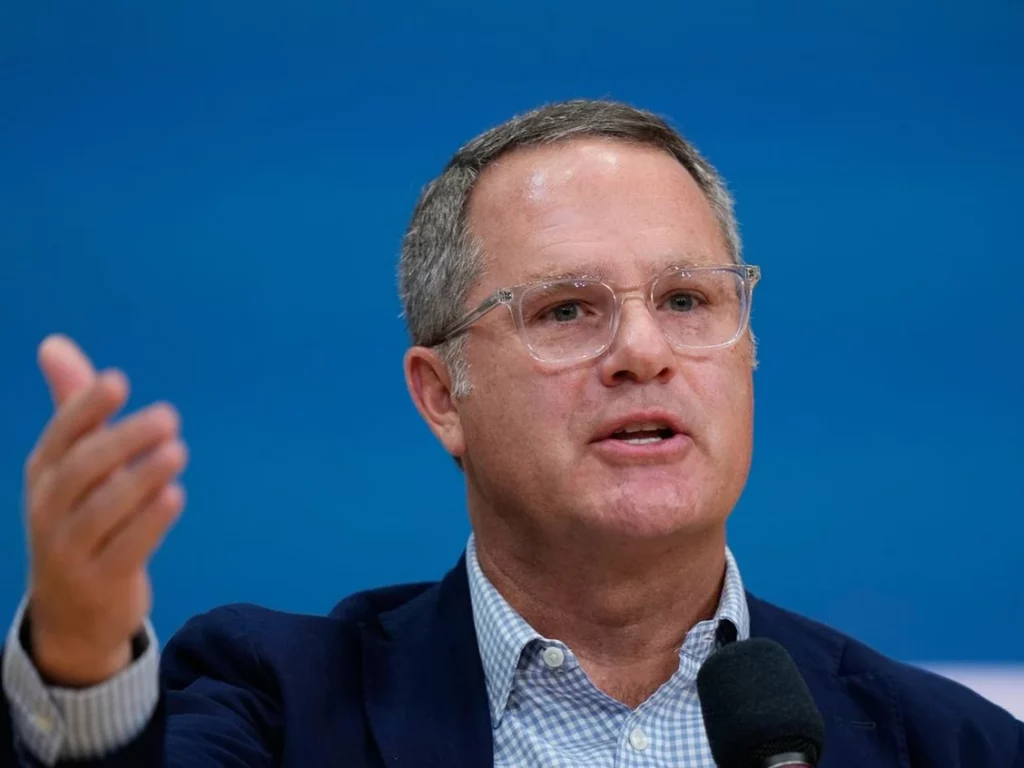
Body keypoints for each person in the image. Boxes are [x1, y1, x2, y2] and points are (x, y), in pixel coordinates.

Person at [1, 99, 1020, 768]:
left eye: (686, 299)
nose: (642, 352)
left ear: (746, 352)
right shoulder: (277, 706)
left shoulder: (950, 747)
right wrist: (85, 651)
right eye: (567, 310)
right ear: (441, 396)